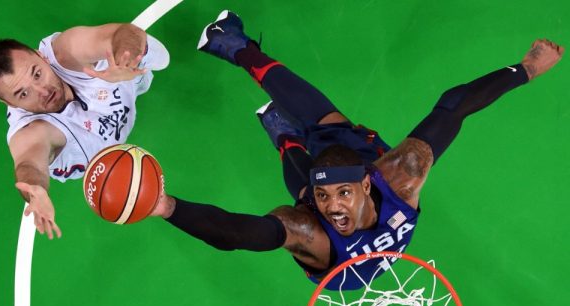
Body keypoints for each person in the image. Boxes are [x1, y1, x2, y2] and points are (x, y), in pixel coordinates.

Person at [150, 10, 563, 290]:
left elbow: (454, 107)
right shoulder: (314, 219)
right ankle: (237, 52)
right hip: (348, 184)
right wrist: (167, 207)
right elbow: (241, 234)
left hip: (349, 218)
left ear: (368, 183)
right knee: (315, 138)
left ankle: (282, 128)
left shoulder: (400, 173)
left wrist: (526, 69)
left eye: (341, 193)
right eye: (324, 195)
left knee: (320, 140)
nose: (331, 206)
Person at [0, 23, 170, 239]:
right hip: (104, 143)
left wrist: (126, 57)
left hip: (123, 79)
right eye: (23, 94)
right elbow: (29, 164)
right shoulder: (31, 131)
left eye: (37, 74)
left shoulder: (65, 52)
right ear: (7, 103)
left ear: (41, 56)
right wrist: (35, 190)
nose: (43, 91)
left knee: (160, 58)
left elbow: (126, 33)